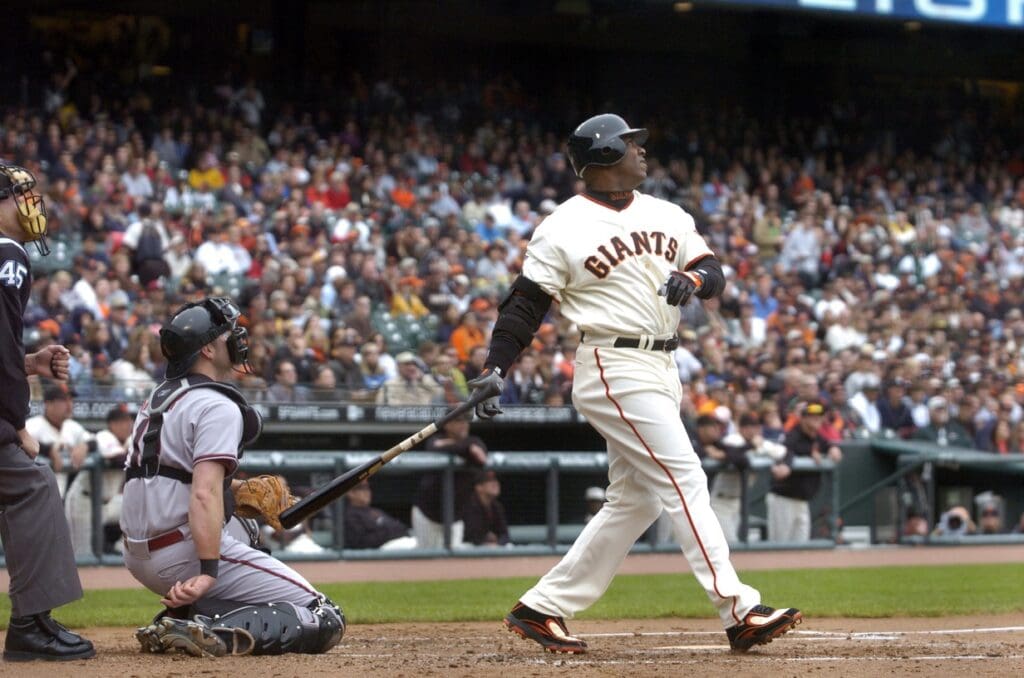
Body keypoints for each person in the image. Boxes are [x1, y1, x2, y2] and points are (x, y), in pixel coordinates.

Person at [466, 115, 800, 655]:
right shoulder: (563, 225)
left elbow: (712, 270)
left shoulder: (666, 213)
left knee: (635, 502)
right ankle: (739, 610)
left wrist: (693, 279)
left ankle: (542, 606)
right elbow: (526, 304)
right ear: (601, 155)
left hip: (664, 365)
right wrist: (495, 367)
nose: (642, 152)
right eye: (630, 144)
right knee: (685, 477)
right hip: (611, 362)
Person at [122, 296, 344, 657]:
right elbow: (204, 493)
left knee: (248, 529)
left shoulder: (157, 399)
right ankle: (209, 629)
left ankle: (182, 616)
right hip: (183, 554)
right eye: (227, 333)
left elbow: (170, 479)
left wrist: (238, 489)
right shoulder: (217, 404)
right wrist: (209, 571)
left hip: (138, 556)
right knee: (325, 615)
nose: (237, 337)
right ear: (208, 349)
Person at [0, 161, 95, 661]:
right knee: (35, 485)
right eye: (19, 195)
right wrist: (17, 423)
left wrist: (30, 361)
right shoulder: (8, 254)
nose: (31, 203)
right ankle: (30, 625)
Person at [766, 401, 843, 543]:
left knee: (801, 549)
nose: (817, 420)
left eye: (819, 416)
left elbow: (827, 444)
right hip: (783, 499)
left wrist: (833, 448)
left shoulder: (816, 437)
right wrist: (808, 452)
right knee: (779, 549)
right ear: (803, 418)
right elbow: (786, 450)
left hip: (802, 501)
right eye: (812, 417)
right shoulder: (793, 435)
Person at [64, 404, 135, 557]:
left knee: (142, 507)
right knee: (83, 554)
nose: (128, 425)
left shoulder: (131, 440)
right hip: (83, 501)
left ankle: (117, 545)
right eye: (123, 422)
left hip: (109, 503)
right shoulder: (104, 436)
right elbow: (118, 460)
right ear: (112, 424)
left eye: (129, 421)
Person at [411, 411, 487, 549]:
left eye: (465, 420)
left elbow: (481, 457)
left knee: (453, 562)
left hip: (454, 517)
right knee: (428, 562)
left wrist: (457, 446)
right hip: (429, 515)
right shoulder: (435, 439)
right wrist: (466, 448)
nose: (463, 424)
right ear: (447, 424)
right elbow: (433, 447)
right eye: (458, 421)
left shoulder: (475, 441)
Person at [713, 413, 787, 544]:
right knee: (730, 543)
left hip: (738, 503)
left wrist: (760, 446)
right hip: (720, 501)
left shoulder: (759, 442)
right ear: (740, 428)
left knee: (734, 545)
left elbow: (781, 451)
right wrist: (756, 448)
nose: (751, 430)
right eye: (747, 427)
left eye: (755, 426)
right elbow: (738, 456)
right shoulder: (733, 439)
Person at [25, 382, 93, 498]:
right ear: (48, 404)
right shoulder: (33, 425)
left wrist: (85, 446)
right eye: (63, 400)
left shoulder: (72, 426)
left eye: (71, 400)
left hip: (58, 498)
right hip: (31, 496)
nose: (69, 405)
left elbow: (94, 441)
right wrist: (48, 450)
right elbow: (19, 442)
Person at [342, 479, 416, 550]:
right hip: (378, 551)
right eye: (362, 488)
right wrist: (388, 532)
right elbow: (361, 542)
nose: (367, 492)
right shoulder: (350, 515)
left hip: (397, 544)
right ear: (350, 493)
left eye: (368, 488)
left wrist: (386, 532)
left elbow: (401, 527)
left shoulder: (376, 511)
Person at [462, 469, 511, 546]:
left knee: (509, 546)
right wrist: (486, 539)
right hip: (470, 547)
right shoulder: (468, 505)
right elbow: (468, 535)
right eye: (489, 481)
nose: (495, 484)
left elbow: (505, 534)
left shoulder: (496, 506)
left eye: (495, 480)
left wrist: (498, 543)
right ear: (479, 487)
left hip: (491, 547)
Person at [375, 351, 445, 405]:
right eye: (407, 364)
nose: (412, 367)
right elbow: (380, 404)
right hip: (399, 420)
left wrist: (422, 380)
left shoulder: (425, 380)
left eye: (414, 364)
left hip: (425, 419)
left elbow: (440, 395)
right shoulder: (390, 384)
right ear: (398, 366)